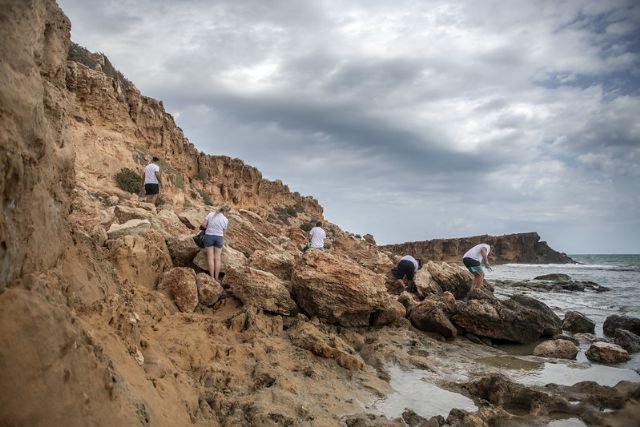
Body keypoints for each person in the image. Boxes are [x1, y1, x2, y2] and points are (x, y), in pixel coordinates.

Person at [200, 204, 230, 280]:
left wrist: (208, 228)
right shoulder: (225, 219)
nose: (228, 214)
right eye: (228, 212)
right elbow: (224, 233)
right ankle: (216, 278)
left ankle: (212, 277)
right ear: (225, 211)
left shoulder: (210, 214)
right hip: (219, 238)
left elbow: (203, 225)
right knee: (217, 258)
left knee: (210, 258)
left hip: (209, 236)